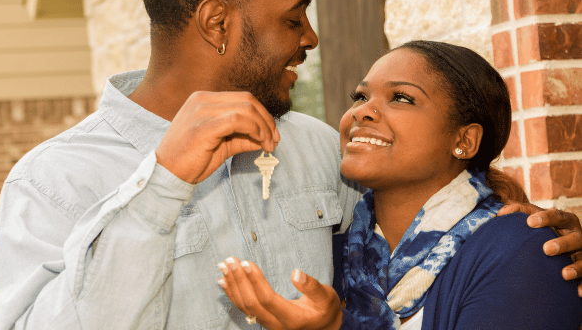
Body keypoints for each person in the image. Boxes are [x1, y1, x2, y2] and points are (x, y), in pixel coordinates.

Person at [0, 0, 582, 328]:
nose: (311, 39)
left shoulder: (315, 147)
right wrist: (161, 183)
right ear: (218, 23)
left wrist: (505, 210)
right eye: (293, 18)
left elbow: (416, 215)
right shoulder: (54, 181)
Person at [216, 41, 582, 329]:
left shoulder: (523, 249)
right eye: (360, 97)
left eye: (402, 98)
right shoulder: (334, 257)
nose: (362, 111)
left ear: (464, 141)